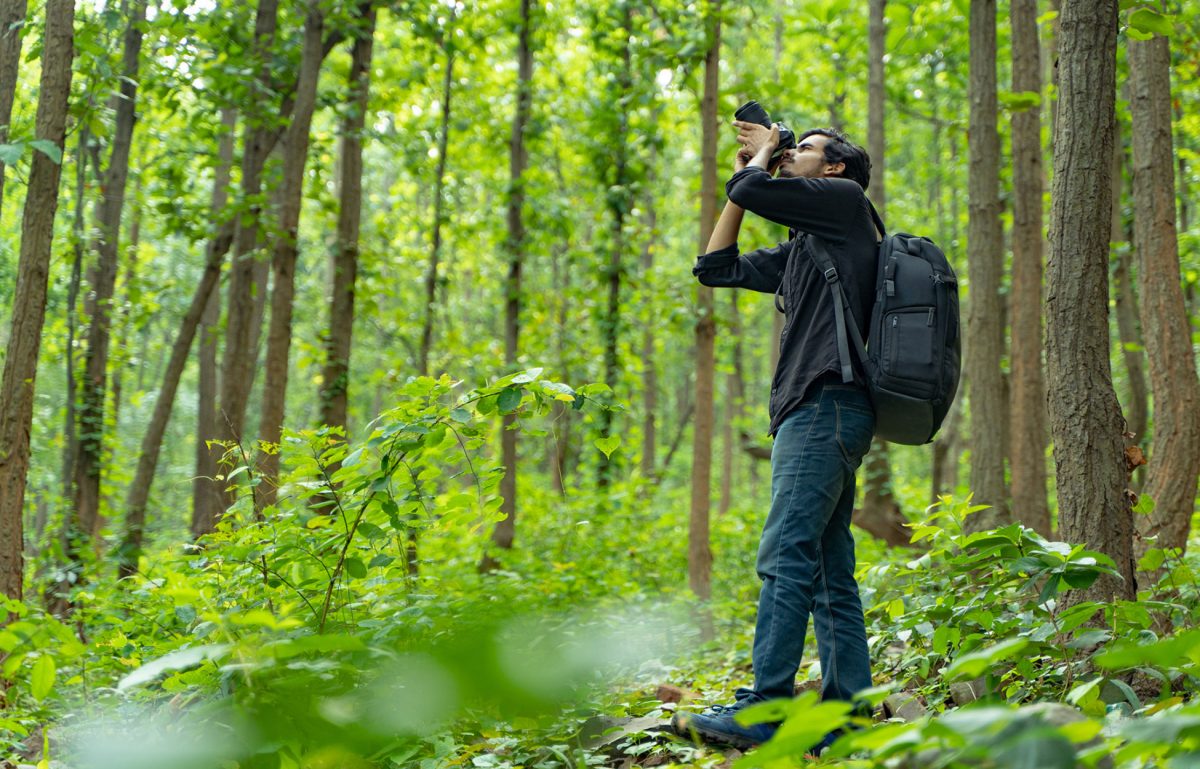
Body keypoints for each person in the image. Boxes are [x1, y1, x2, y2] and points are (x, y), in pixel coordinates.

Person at [672, 120, 882, 752]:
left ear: (836, 169)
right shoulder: (806, 250)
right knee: (826, 568)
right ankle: (846, 716)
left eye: (806, 150)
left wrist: (763, 158)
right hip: (819, 410)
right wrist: (758, 168)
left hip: (825, 405)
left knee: (786, 554)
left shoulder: (847, 205)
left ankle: (766, 709)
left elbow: (754, 189)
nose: (793, 156)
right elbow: (714, 266)